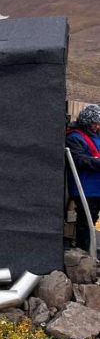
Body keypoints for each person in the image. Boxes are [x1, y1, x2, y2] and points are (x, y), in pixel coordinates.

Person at [65, 104, 100, 251]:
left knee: (91, 221)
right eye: (95, 123)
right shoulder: (74, 137)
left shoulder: (95, 135)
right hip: (85, 188)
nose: (97, 126)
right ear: (87, 122)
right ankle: (83, 253)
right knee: (86, 223)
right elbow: (79, 160)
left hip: (96, 187)